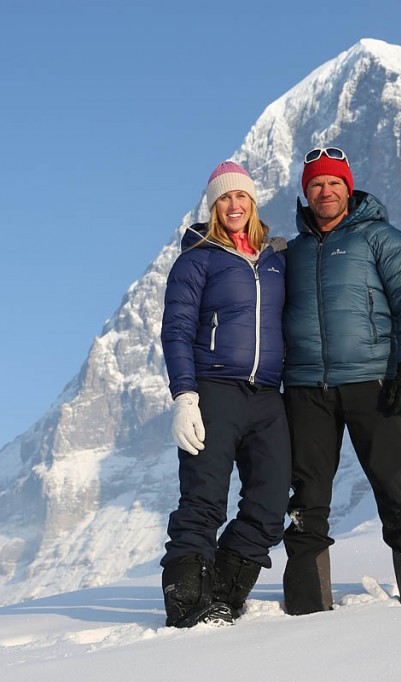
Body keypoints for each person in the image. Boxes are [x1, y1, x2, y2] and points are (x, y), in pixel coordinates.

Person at [281, 146, 401, 614]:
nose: (325, 191)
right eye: (316, 184)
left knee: (395, 491)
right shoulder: (291, 253)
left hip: (374, 383)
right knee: (306, 500)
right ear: (305, 192)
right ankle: (307, 608)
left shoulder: (381, 239)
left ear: (348, 189)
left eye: (333, 183)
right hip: (306, 388)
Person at [159, 161, 292, 627]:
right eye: (223, 199)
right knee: (205, 499)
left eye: (240, 197)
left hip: (267, 396)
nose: (233, 205)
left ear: (252, 202)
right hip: (215, 389)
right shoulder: (198, 259)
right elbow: (176, 330)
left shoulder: (276, 260)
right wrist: (185, 396)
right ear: (213, 206)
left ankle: (225, 594)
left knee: (272, 500)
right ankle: (187, 604)